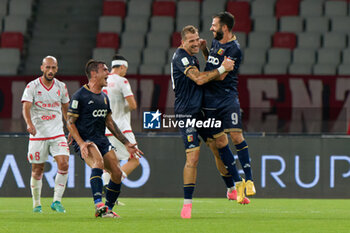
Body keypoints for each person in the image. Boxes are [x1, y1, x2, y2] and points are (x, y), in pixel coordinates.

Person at [171, 25, 236, 219]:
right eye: (191, 40)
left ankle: (231, 189)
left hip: (200, 112)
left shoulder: (193, 56)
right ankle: (187, 204)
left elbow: (209, 70)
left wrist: (206, 50)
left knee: (220, 144)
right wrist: (224, 67)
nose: (195, 43)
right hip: (187, 114)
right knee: (193, 157)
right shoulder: (181, 57)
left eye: (197, 39)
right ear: (182, 42)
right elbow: (199, 79)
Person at [66, 59, 143, 218]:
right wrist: (80, 143)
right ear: (94, 74)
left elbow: (109, 122)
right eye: (105, 70)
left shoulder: (104, 97)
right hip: (86, 140)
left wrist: (127, 143)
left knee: (116, 173)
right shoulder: (79, 96)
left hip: (101, 139)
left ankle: (106, 209)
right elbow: (70, 123)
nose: (108, 73)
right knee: (98, 163)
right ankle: (98, 203)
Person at [200, 11, 256, 202]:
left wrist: (209, 74)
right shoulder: (215, 42)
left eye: (214, 25)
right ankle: (237, 185)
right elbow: (214, 63)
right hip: (210, 100)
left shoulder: (235, 49)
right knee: (220, 143)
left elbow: (222, 74)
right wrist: (205, 50)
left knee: (236, 135)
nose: (211, 28)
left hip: (227, 98)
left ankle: (249, 180)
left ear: (224, 28)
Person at [21, 56, 70, 213]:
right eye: (48, 67)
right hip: (39, 134)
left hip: (57, 133)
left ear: (57, 69)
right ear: (42, 68)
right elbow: (26, 107)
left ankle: (57, 201)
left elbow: (65, 109)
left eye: (53, 68)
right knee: (37, 169)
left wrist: (70, 128)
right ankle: (36, 203)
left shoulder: (61, 87)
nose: (50, 71)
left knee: (64, 164)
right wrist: (29, 124)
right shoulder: (32, 86)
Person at [101, 55, 140, 194]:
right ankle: (111, 185)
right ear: (122, 67)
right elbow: (133, 105)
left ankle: (107, 188)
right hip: (122, 128)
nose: (125, 72)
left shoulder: (103, 81)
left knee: (112, 163)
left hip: (105, 128)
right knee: (135, 159)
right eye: (125, 69)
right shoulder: (122, 81)